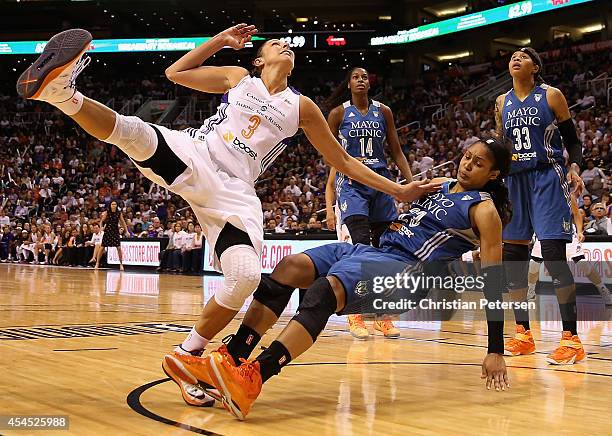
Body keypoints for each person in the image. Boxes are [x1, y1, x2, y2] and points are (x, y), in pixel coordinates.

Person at [17, 26, 439, 407]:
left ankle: (187, 355)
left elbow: (344, 161)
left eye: (288, 44)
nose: (285, 45)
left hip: (235, 193)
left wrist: (399, 189)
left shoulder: (302, 107)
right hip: (197, 156)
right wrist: (219, 41)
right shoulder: (239, 78)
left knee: (244, 279)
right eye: (276, 43)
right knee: (133, 132)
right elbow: (175, 74)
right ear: (259, 60)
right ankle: (63, 95)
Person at [168, 137, 512, 419]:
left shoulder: (484, 210)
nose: (467, 164)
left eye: (478, 163)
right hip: (375, 251)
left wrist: (495, 349)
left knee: (325, 291)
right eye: (466, 156)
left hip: (408, 271)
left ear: (494, 174)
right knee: (289, 267)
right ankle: (234, 357)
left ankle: (254, 377)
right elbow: (404, 192)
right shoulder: (445, 184)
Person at [494, 47, 586, 365]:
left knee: (553, 257)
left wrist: (574, 168)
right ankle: (523, 333)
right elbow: (500, 147)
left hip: (547, 177)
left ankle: (571, 339)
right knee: (513, 260)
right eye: (512, 57)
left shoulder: (551, 95)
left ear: (536, 66)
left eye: (524, 56)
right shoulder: (501, 103)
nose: (516, 59)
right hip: (514, 183)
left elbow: (573, 140)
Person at [324, 67, 414, 339]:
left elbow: (396, 150)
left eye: (365, 76)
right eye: (355, 77)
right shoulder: (338, 113)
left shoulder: (383, 111)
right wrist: (331, 200)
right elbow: (327, 153)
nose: (361, 79)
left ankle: (384, 315)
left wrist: (408, 184)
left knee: (386, 251)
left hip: (380, 181)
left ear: (369, 82)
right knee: (362, 247)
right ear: (349, 84)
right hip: (351, 184)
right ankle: (356, 312)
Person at [526, 194, 612, 310]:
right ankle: (531, 289)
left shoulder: (566, 193)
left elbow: (576, 213)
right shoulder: (539, 193)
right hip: (545, 231)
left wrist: (580, 231)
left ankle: (603, 290)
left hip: (565, 230)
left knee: (583, 264)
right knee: (534, 264)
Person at [99, 200, 127, 270]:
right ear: (110, 205)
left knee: (119, 248)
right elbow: (101, 221)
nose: (114, 205)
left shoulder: (119, 213)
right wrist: (101, 227)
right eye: (112, 204)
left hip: (115, 231)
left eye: (115, 204)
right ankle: (97, 263)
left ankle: (121, 264)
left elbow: (123, 222)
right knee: (102, 247)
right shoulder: (107, 212)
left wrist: (126, 231)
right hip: (108, 230)